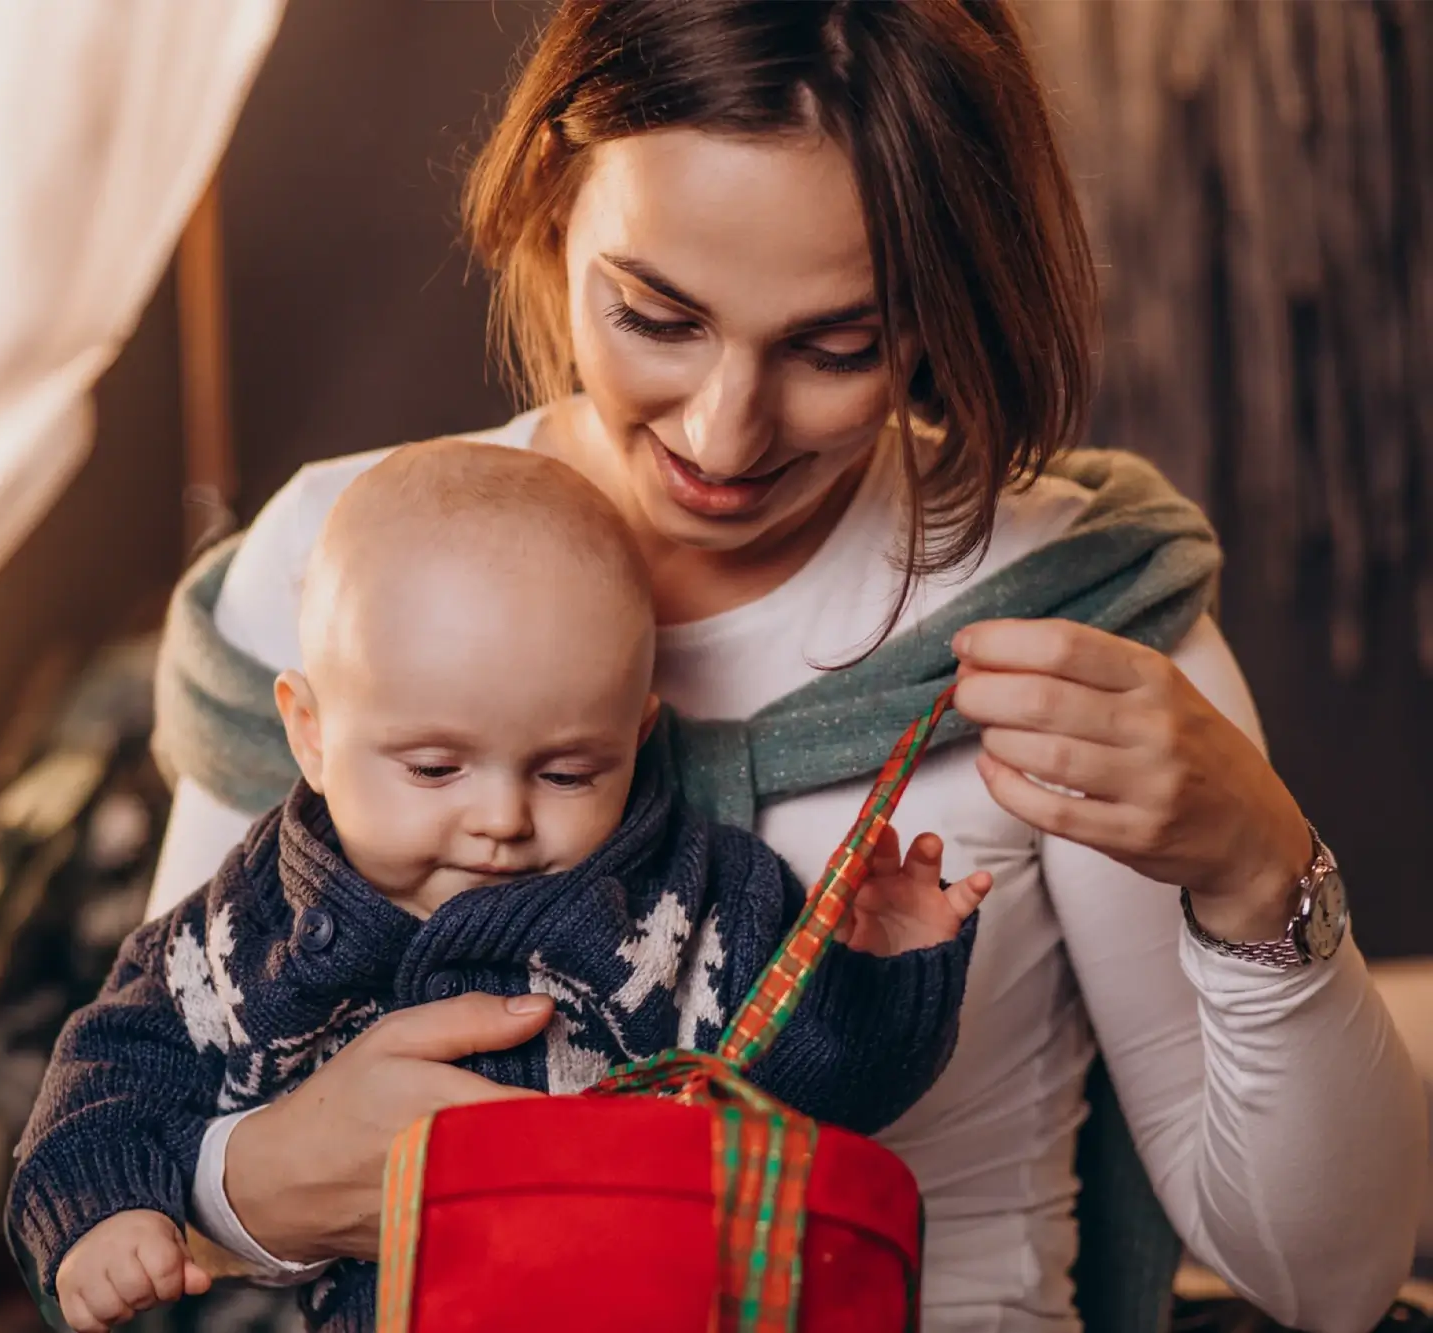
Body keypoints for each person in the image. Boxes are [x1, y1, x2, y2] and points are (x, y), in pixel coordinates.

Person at [144, 2, 1428, 1329]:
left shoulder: (1072, 622)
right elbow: (135, 1141)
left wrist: (1258, 868)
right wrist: (264, 1183)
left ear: (942, 307)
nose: (725, 430)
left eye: (836, 346)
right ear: (550, 203)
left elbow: (1327, 1283)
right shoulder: (335, 566)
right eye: (656, 314)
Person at [13, 440, 992, 1331]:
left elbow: (824, 1092)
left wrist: (881, 974)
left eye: (568, 772)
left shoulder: (691, 904)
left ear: (636, 735)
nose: (502, 819)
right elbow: (112, 1066)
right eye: (435, 769)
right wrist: (102, 1206)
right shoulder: (255, 925)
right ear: (309, 733)